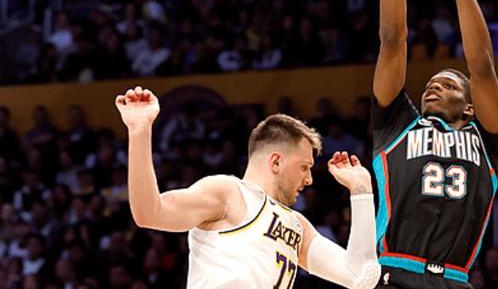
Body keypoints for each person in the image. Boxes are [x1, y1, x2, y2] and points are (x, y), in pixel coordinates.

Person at [371, 0, 498, 289]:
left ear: (469, 107)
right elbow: (392, 39)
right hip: (394, 273)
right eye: (431, 84)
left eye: (449, 85)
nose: (434, 85)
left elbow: (482, 67)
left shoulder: (487, 140)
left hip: (455, 279)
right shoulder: (396, 125)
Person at [114, 86, 380, 289]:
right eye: (304, 167)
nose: (309, 179)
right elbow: (149, 213)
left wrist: (361, 190)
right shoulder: (228, 192)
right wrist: (140, 131)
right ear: (276, 161)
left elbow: (361, 277)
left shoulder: (297, 226)